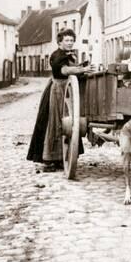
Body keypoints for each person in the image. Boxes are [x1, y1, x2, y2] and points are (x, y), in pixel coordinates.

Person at [26, 27, 95, 172]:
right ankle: (50, 159)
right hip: (58, 91)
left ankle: (61, 157)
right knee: (57, 122)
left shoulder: (69, 55)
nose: (70, 43)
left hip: (68, 90)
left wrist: (82, 69)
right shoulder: (56, 55)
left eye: (72, 40)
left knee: (68, 122)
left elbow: (71, 70)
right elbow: (63, 70)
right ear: (60, 42)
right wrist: (81, 70)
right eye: (67, 40)